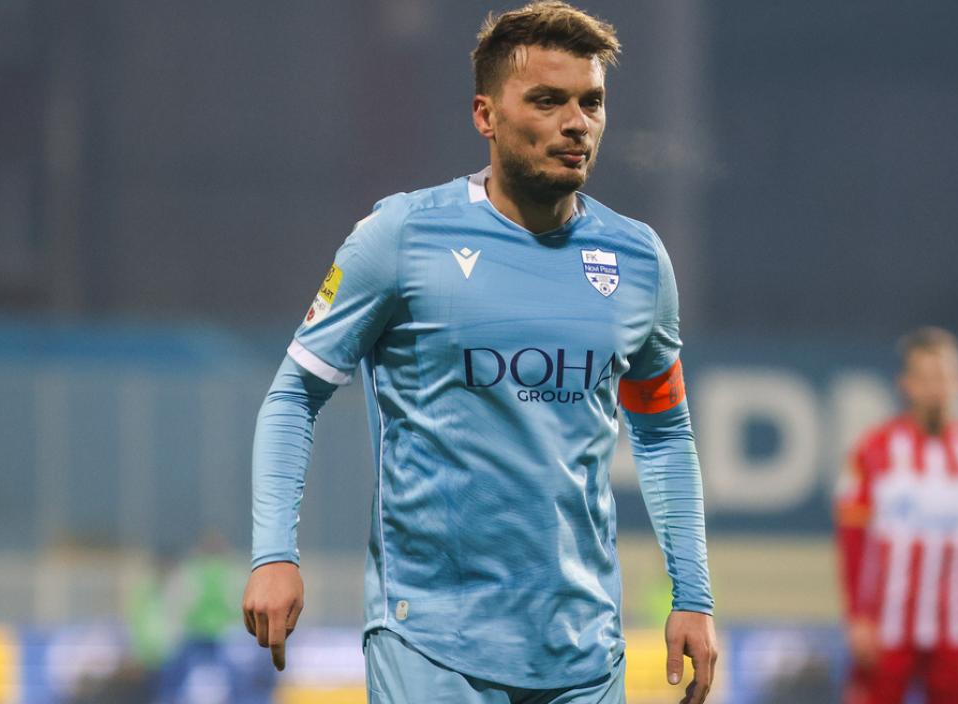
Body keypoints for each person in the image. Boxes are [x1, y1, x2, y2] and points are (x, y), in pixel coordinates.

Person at [240, 2, 718, 702]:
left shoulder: (638, 260)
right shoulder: (401, 237)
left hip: (585, 654)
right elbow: (293, 396)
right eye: (547, 101)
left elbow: (665, 432)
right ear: (485, 115)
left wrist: (693, 594)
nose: (576, 123)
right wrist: (274, 554)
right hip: (431, 644)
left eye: (591, 102)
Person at [835, 327, 958, 704]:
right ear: (906, 384)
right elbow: (852, 542)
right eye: (925, 378)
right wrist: (856, 617)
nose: (936, 388)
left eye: (944, 376)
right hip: (887, 629)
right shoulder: (873, 450)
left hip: (957, 631)